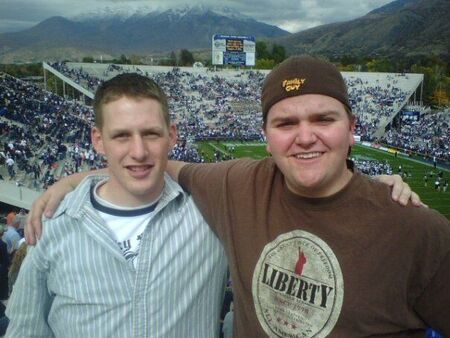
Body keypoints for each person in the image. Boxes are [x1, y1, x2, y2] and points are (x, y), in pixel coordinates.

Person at [27, 58, 428, 337]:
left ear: (173, 135)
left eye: (323, 119)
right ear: (266, 135)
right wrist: (73, 181)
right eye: (286, 123)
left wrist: (374, 187)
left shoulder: (411, 225)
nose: (305, 136)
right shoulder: (52, 227)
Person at [6, 73, 227, 337]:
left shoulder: (210, 215)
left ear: (172, 135)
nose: (139, 151)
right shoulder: (52, 226)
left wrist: (73, 180)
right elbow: (26, 331)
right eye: (122, 136)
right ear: (98, 140)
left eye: (151, 134)